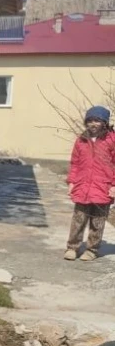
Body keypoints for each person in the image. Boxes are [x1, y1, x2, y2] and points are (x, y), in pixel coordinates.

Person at [64, 105, 115, 261]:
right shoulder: (81, 140)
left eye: (97, 121)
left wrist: (114, 185)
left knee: (97, 222)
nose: (93, 124)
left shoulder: (111, 140)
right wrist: (72, 182)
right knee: (78, 220)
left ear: (105, 123)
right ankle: (72, 247)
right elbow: (75, 163)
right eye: (90, 120)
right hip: (82, 187)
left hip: (103, 187)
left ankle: (92, 250)